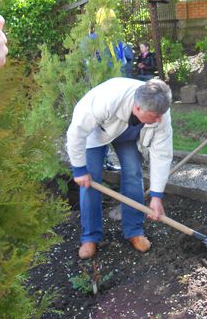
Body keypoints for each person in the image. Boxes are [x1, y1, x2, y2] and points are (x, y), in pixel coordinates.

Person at [66, 78, 173, 259]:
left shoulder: (160, 111)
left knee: (133, 173)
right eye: (155, 116)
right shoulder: (106, 100)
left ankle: (134, 231)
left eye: (160, 115)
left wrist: (156, 196)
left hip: (128, 133)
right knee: (89, 182)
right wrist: (79, 169)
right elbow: (76, 132)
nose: (159, 119)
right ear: (138, 108)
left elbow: (162, 154)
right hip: (97, 132)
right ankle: (90, 237)